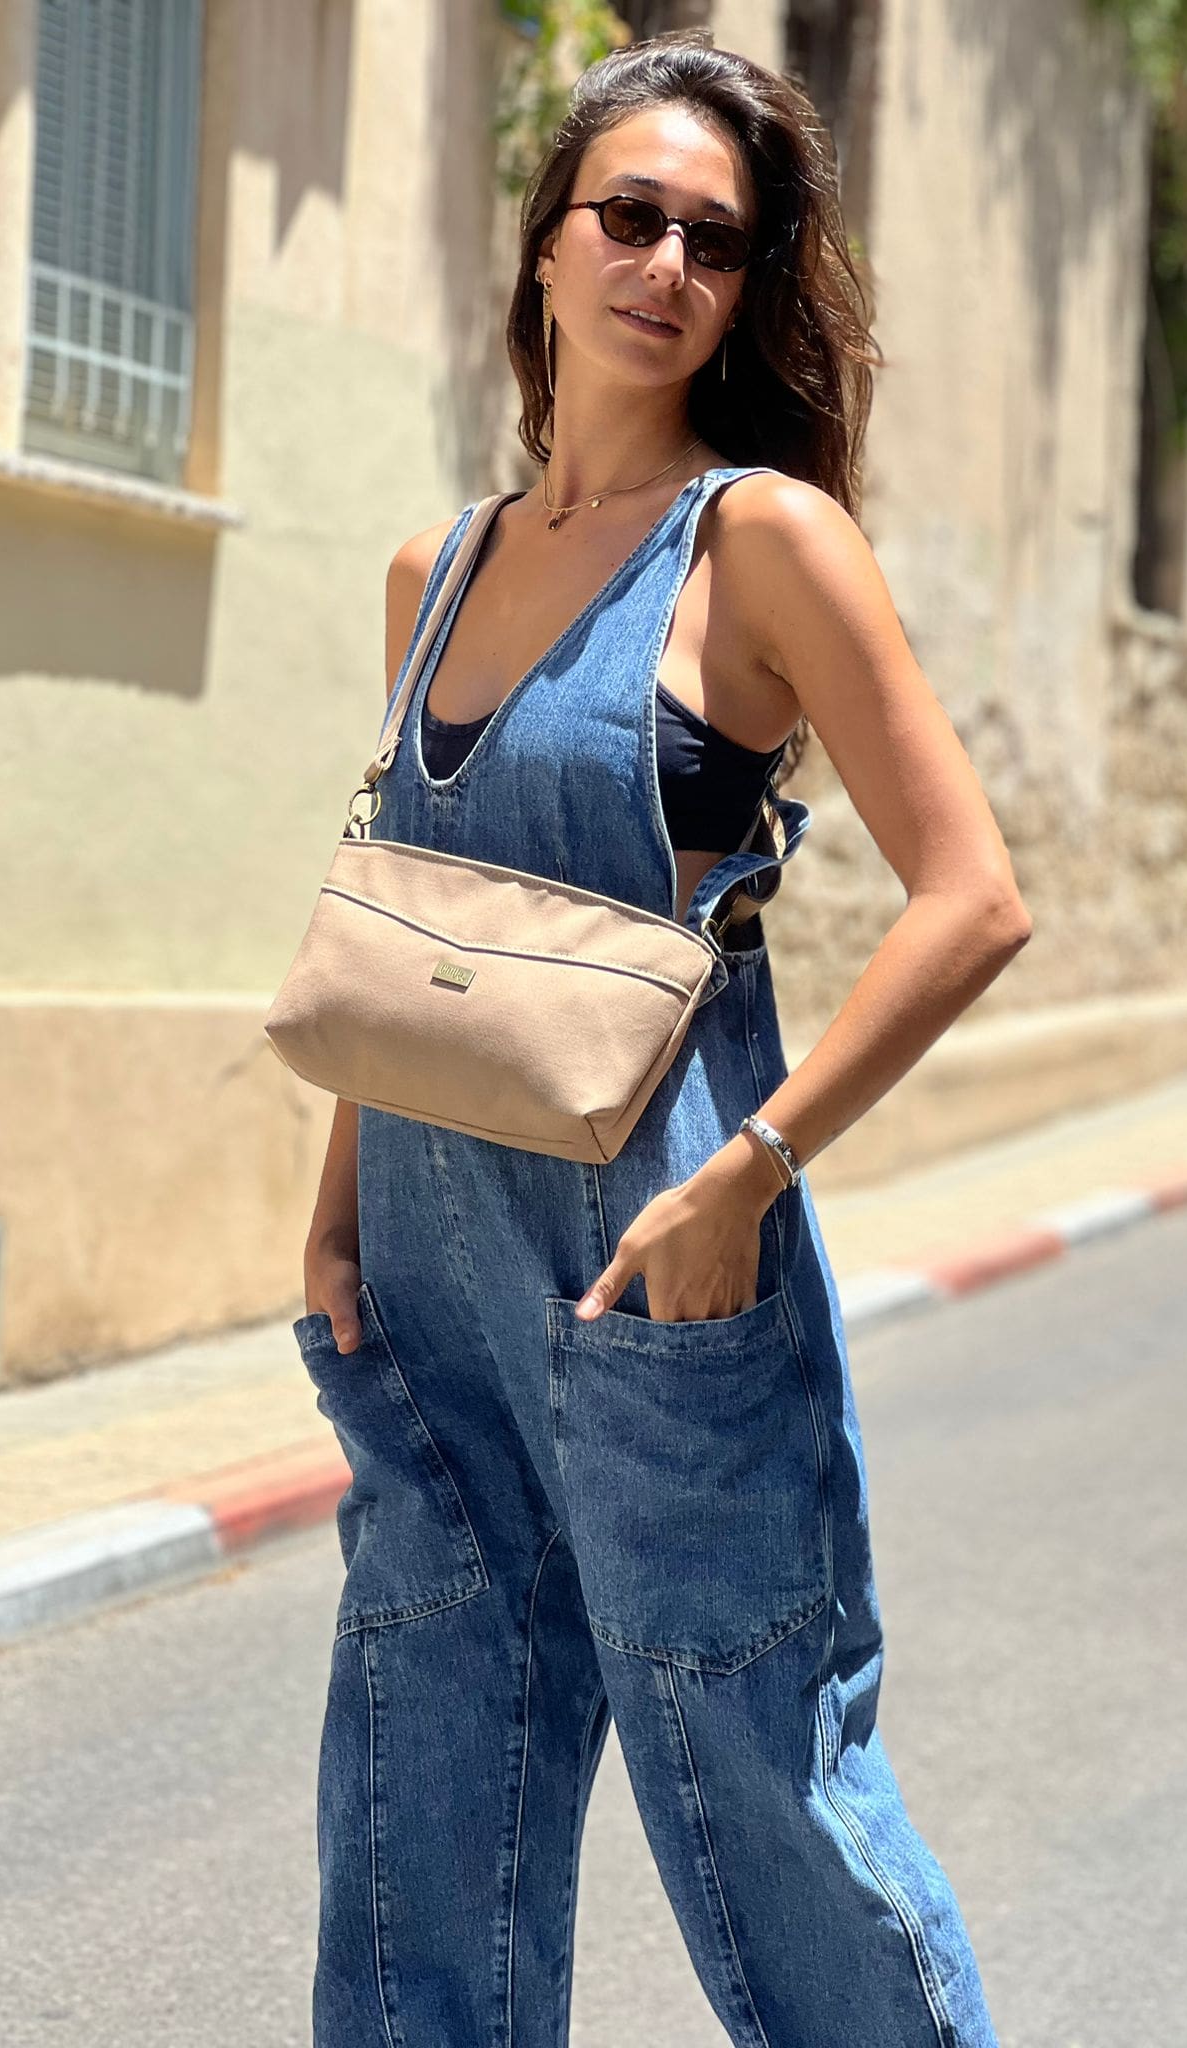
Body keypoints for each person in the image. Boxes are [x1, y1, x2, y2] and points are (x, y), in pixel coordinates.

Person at [292, 28, 1029, 2048]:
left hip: (660, 1268)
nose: (669, 266)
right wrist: (340, 1209)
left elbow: (973, 893)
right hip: (428, 1275)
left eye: (717, 240)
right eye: (631, 216)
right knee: (421, 1814)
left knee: (768, 1809)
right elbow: (416, 921)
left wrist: (747, 1181)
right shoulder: (432, 573)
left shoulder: (762, 544)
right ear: (545, 244)